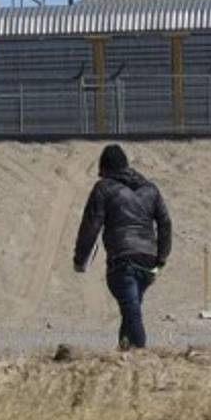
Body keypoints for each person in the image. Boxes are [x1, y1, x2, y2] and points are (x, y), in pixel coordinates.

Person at [73, 144, 172, 350]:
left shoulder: (104, 188)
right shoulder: (150, 189)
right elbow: (165, 223)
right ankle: (125, 355)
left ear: (105, 169)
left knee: (132, 312)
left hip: (123, 260)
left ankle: (141, 357)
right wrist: (162, 258)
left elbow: (91, 225)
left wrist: (80, 260)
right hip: (148, 262)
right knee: (130, 310)